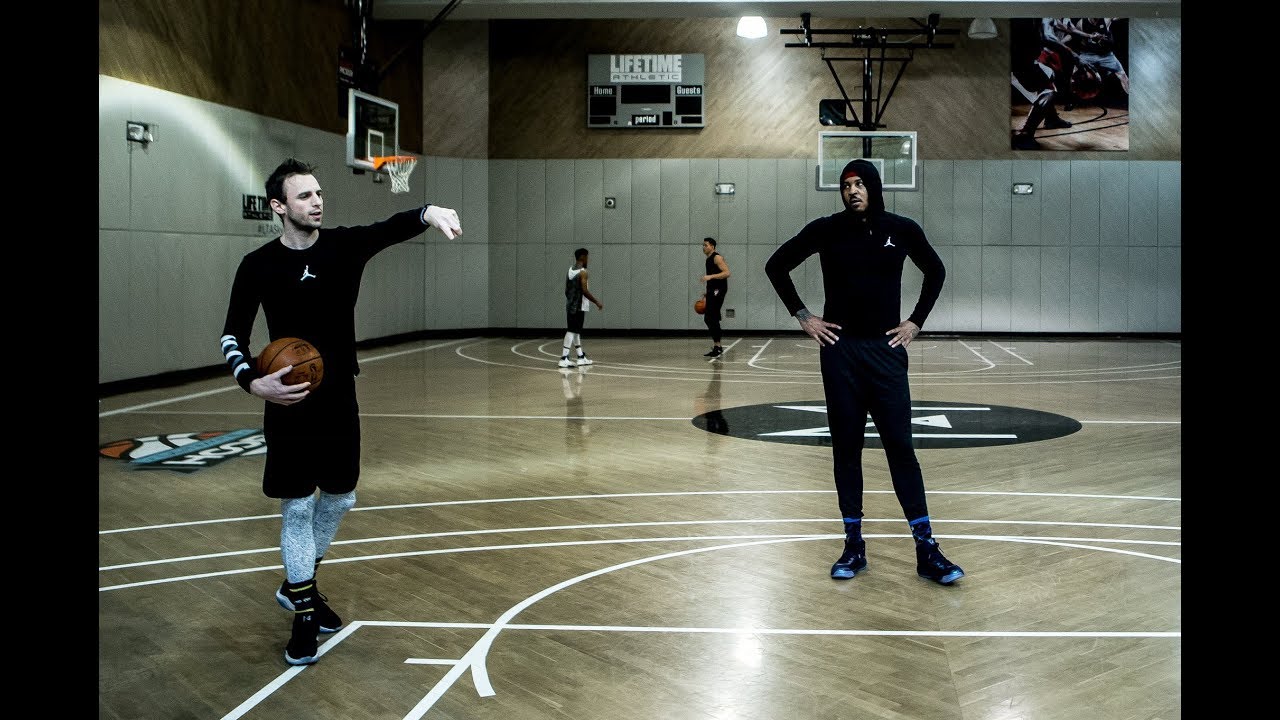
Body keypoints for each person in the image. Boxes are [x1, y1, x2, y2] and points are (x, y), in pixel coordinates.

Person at [219, 158, 462, 666]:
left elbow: (389, 227)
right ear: (279, 207)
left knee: (342, 497)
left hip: (337, 397)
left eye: (319, 193)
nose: (317, 202)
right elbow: (232, 335)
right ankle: (304, 613)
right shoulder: (257, 264)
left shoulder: (343, 247)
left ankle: (297, 585)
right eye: (304, 196)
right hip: (287, 400)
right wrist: (252, 381)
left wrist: (429, 211)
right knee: (298, 507)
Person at [764, 158, 964, 586]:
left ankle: (926, 549)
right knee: (846, 447)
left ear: (874, 187)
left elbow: (936, 271)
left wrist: (915, 322)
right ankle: (853, 545)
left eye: (859, 184)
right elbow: (775, 266)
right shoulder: (826, 229)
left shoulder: (902, 228)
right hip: (840, 352)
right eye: (845, 185)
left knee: (900, 447)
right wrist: (804, 317)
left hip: (886, 351)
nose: (852, 190)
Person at [1010, 17, 1078, 150]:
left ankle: (1051, 118)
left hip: (1020, 60)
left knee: (1049, 74)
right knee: (1048, 91)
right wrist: (1074, 55)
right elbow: (1047, 36)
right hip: (1020, 63)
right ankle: (1025, 134)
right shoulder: (1041, 11)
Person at [560, 248, 603, 367]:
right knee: (571, 330)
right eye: (587, 257)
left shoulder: (569, 271)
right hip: (578, 306)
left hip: (570, 305)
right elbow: (584, 290)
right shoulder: (583, 272)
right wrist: (596, 302)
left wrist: (571, 300)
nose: (588, 259)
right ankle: (564, 358)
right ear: (583, 257)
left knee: (576, 331)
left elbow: (566, 290)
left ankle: (580, 357)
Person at [699, 237, 731, 357]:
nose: (704, 247)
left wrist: (710, 277)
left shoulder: (717, 257)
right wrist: (708, 293)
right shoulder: (708, 259)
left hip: (719, 290)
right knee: (710, 318)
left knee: (710, 317)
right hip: (713, 290)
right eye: (703, 245)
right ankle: (717, 346)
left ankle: (718, 346)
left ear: (712, 246)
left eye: (706, 245)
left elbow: (727, 273)